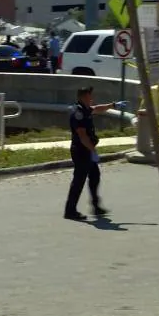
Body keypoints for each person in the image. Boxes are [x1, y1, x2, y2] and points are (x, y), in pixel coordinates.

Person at [64, 86, 127, 221]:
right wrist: (92, 151)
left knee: (95, 176)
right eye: (89, 96)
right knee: (78, 181)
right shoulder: (78, 112)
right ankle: (70, 211)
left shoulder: (86, 109)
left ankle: (96, 206)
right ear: (82, 97)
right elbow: (82, 135)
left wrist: (113, 105)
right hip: (81, 150)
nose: (91, 99)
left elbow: (98, 108)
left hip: (87, 150)